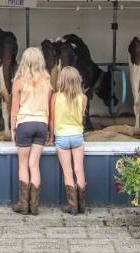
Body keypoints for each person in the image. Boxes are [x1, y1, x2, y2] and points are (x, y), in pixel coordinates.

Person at [10, 47, 52, 215]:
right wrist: (49, 129)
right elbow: (49, 109)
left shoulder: (19, 80)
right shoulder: (47, 80)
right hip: (41, 125)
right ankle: (34, 206)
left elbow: (14, 109)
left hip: (25, 124)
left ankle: (23, 204)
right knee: (34, 165)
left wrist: (13, 128)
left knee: (23, 165)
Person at [49, 66, 88, 214]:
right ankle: (82, 205)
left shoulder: (55, 97)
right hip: (77, 136)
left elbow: (52, 120)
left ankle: (72, 205)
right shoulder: (83, 98)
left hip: (62, 138)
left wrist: (51, 137)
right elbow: (81, 119)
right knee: (79, 169)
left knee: (68, 171)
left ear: (61, 80)